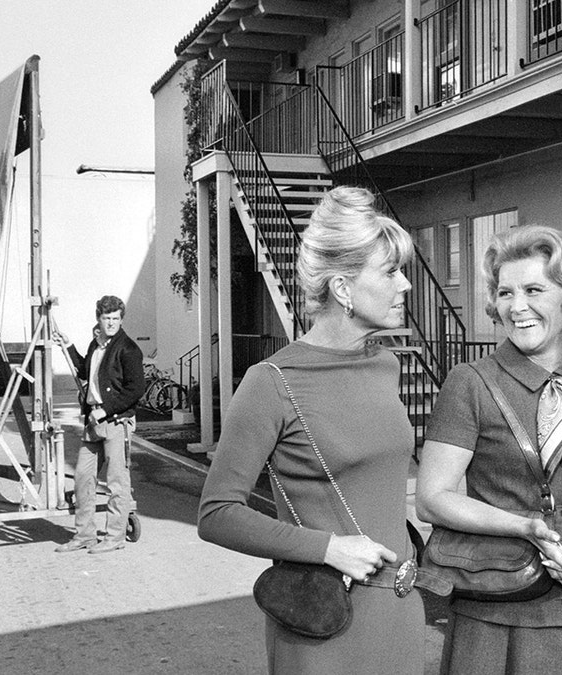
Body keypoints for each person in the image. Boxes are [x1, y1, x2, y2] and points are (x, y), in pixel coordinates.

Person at [197, 186, 427, 674]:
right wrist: (329, 548)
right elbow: (217, 513)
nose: (404, 285)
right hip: (324, 626)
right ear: (343, 289)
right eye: (390, 272)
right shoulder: (272, 382)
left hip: (400, 611)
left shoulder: (385, 365)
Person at [417, 225, 562, 674]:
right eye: (505, 292)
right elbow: (432, 497)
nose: (516, 306)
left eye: (534, 289)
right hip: (499, 615)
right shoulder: (470, 383)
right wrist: (525, 527)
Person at [53, 295, 145, 554]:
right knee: (83, 478)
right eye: (107, 318)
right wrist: (68, 346)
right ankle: (84, 535)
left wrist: (105, 409)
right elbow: (85, 371)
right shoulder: (97, 344)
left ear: (121, 319)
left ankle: (114, 537)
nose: (112, 323)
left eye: (116, 318)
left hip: (116, 422)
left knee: (117, 482)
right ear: (99, 319)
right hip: (93, 423)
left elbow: (136, 389)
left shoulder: (128, 349)